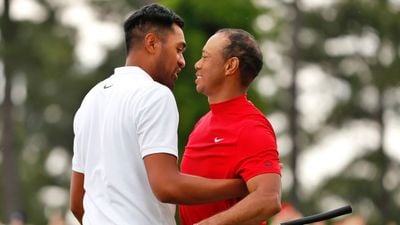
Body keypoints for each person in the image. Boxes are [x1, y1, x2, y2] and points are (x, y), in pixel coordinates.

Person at [69, 4, 247, 225]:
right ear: (152, 43)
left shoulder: (91, 99)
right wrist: (241, 185)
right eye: (179, 49)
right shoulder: (155, 95)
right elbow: (167, 186)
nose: (183, 61)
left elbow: (77, 203)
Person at [179, 28, 282, 225]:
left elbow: (269, 199)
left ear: (230, 66)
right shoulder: (203, 122)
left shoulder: (252, 127)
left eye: (205, 57)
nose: (197, 65)